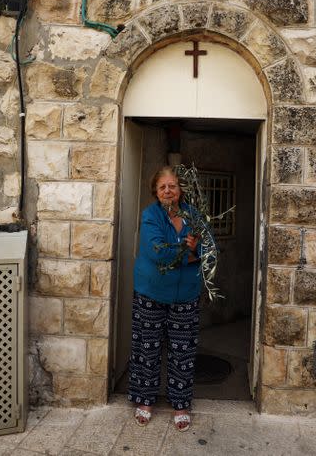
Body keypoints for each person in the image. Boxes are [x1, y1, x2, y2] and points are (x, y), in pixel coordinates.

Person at [128, 166, 205, 432]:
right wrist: (190, 253)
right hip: (151, 291)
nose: (168, 190)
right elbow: (158, 251)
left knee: (182, 351)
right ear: (156, 192)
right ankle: (145, 401)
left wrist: (199, 250)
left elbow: (210, 249)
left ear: (181, 189)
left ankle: (180, 405)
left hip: (186, 295)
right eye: (163, 187)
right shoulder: (150, 215)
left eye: (172, 185)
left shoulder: (195, 216)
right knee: (147, 348)